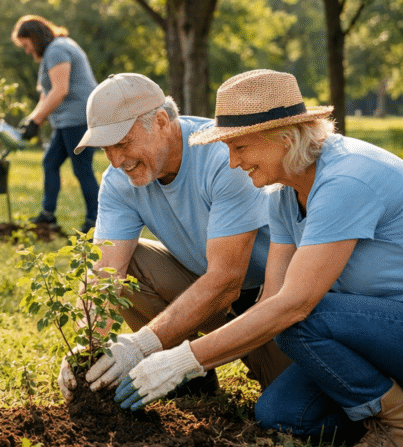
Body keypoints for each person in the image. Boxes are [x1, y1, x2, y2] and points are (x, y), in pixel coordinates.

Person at [117, 69, 403, 447]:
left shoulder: (346, 179)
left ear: (285, 137)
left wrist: (184, 359)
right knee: (282, 415)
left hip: (391, 325)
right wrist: (179, 356)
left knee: (301, 316)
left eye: (239, 147)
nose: (232, 162)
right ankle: (378, 403)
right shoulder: (284, 195)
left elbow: (294, 305)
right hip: (363, 334)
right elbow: (270, 299)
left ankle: (397, 427)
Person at [57, 73, 291, 400]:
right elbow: (103, 275)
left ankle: (187, 360)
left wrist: (142, 344)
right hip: (203, 286)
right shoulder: (118, 181)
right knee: (125, 266)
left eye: (123, 143)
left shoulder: (224, 155)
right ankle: (189, 380)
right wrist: (87, 347)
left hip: (270, 299)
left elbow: (227, 281)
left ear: (163, 121)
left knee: (292, 409)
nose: (116, 160)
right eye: (106, 148)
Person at [12, 15, 99, 232]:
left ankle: (96, 220)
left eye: (26, 44)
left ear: (34, 37)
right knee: (50, 163)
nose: (27, 50)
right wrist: (32, 120)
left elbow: (61, 90)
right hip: (66, 121)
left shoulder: (57, 50)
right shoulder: (52, 51)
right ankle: (47, 215)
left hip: (78, 118)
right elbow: (46, 95)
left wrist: (38, 120)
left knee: (82, 170)